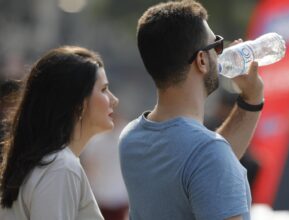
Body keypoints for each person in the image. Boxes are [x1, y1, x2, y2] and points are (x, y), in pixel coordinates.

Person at [119, 1, 264, 220]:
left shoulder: (132, 138)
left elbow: (205, 166)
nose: (220, 53)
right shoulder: (208, 153)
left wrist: (251, 100)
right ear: (202, 60)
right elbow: (209, 161)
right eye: (216, 45)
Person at [0, 46, 119, 220]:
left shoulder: (49, 163)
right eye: (103, 89)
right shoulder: (60, 167)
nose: (114, 100)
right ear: (78, 102)